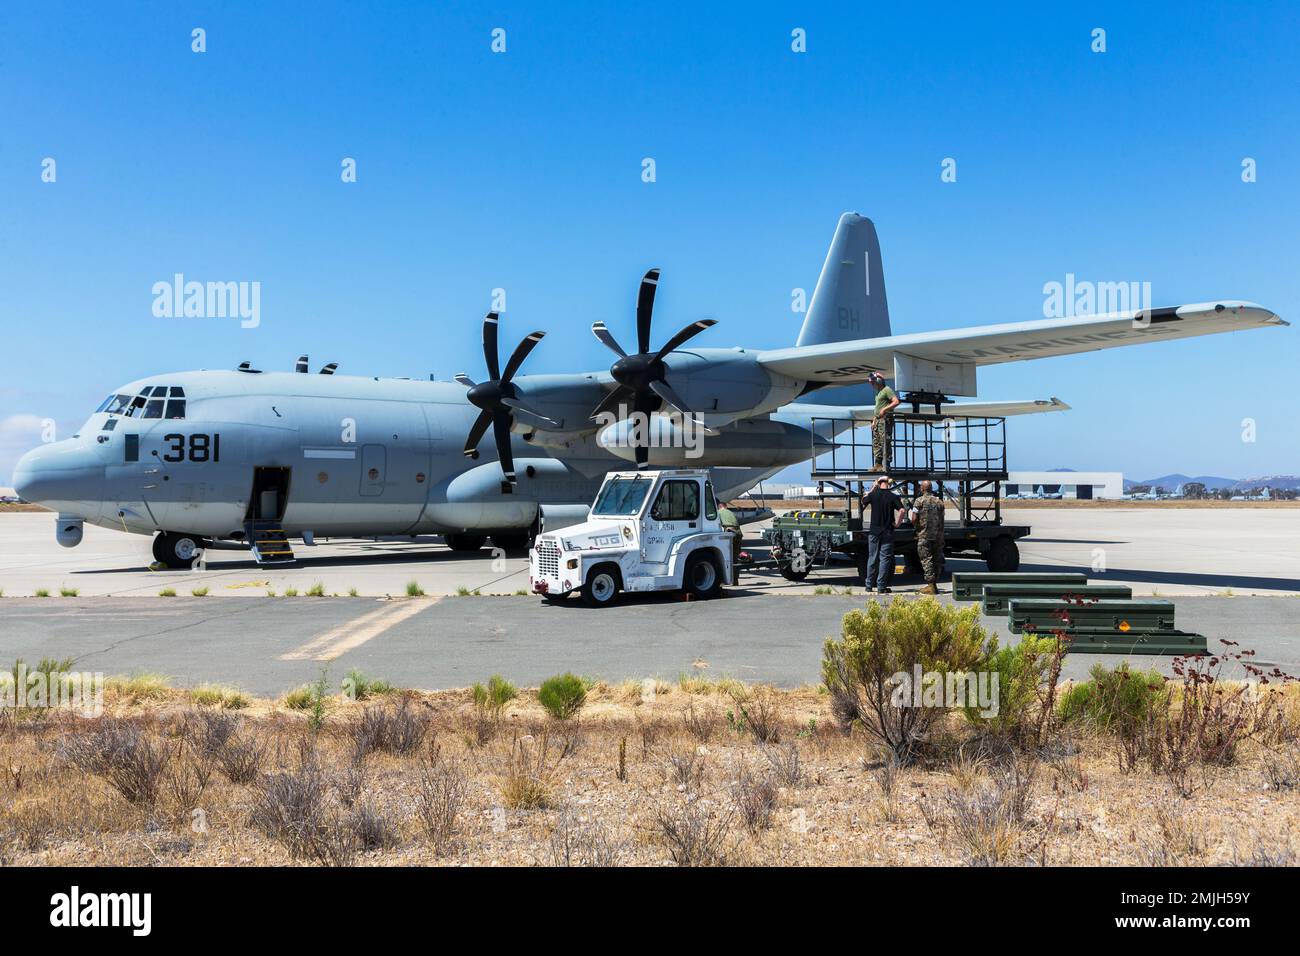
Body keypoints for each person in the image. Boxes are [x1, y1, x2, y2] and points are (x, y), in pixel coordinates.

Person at [861, 475, 905, 593]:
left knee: (872, 558)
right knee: (884, 559)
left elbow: (863, 501)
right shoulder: (893, 496)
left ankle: (869, 585)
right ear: (889, 483)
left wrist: (872, 489)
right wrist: (897, 523)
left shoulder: (873, 495)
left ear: (878, 483)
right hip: (887, 531)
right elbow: (902, 510)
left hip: (874, 532)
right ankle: (881, 587)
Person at [908, 479, 946, 594]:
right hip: (938, 535)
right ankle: (934, 584)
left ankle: (930, 585)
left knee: (926, 560)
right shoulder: (939, 502)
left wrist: (917, 527)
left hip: (924, 535)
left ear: (923, 489)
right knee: (936, 559)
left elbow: (914, 518)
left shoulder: (919, 501)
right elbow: (942, 519)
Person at [866, 372, 901, 472]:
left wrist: (884, 409)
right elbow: (877, 408)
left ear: (879, 381)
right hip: (878, 421)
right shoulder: (878, 393)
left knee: (885, 441)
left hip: (885, 420)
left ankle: (887, 464)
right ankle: (878, 464)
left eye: (873, 382)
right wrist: (874, 420)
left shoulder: (887, 390)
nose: (872, 384)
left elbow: (896, 401)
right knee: (877, 443)